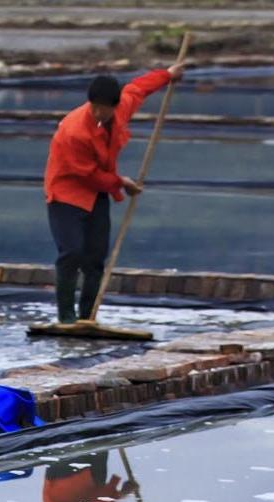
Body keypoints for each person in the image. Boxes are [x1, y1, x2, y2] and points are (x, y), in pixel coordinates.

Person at [43, 57, 188, 325]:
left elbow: (138, 89)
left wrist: (167, 75)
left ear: (114, 105)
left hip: (97, 193)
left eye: (104, 110)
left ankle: (87, 316)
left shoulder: (120, 109)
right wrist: (120, 183)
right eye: (95, 109)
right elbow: (84, 173)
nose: (99, 115)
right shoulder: (74, 131)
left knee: (96, 258)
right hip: (67, 193)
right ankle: (66, 317)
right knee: (72, 252)